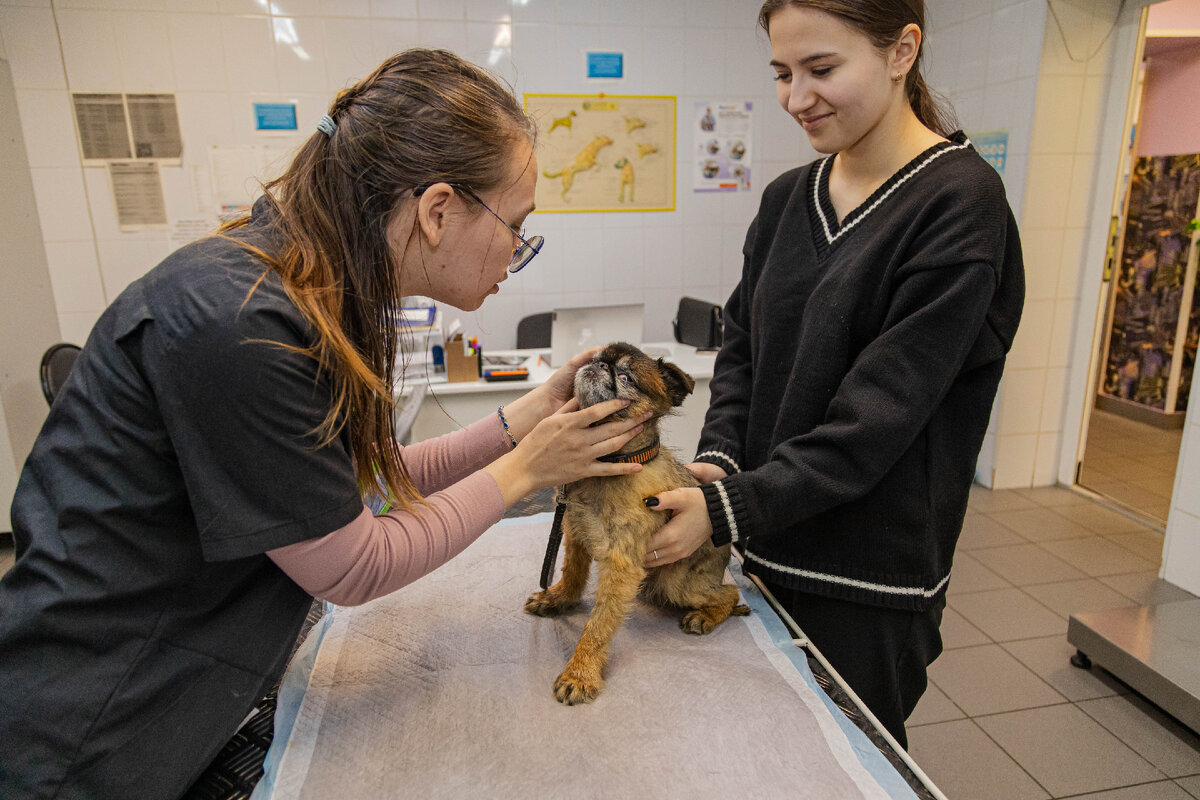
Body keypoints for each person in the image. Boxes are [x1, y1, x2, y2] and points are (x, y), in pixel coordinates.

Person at [0, 50, 652, 799]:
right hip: (99, 726)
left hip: (190, 679)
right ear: (438, 211)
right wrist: (528, 469)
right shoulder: (242, 320)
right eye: (519, 224)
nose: (518, 251)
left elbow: (355, 483)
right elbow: (353, 563)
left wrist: (522, 420)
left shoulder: (309, 286)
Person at [643, 0, 1024, 748]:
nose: (795, 98)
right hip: (765, 543)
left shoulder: (959, 205)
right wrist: (718, 464)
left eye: (822, 69)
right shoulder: (788, 199)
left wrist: (729, 510)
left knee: (845, 762)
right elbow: (745, 349)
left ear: (901, 50)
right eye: (783, 73)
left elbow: (878, 416)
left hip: (865, 580)